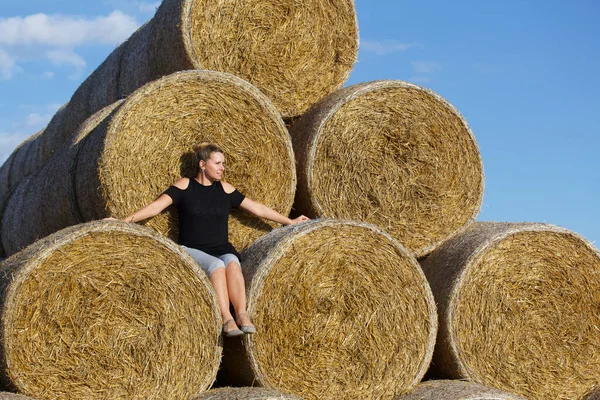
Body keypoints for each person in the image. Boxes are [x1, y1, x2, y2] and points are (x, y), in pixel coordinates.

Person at [112, 143, 309, 337]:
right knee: (216, 265)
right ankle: (226, 318)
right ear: (202, 164)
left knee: (232, 262)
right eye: (218, 163)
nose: (222, 168)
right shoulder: (185, 185)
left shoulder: (225, 189)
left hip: (221, 246)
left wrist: (289, 221)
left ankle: (241, 314)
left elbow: (258, 208)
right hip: (192, 248)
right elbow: (155, 207)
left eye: (223, 163)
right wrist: (123, 222)